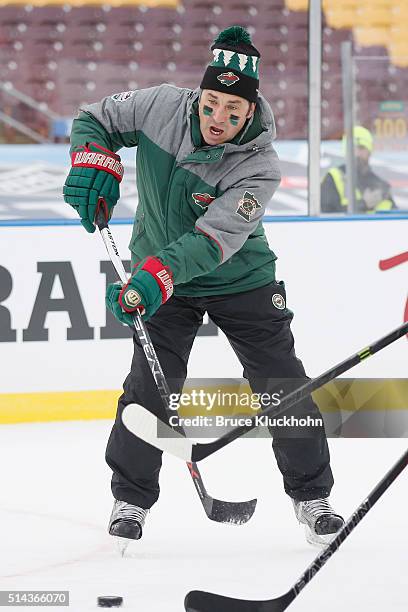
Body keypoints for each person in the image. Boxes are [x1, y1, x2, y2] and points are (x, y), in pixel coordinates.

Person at [63, 26, 344, 548]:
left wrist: (154, 277)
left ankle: (312, 497)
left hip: (238, 278)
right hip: (160, 274)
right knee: (150, 385)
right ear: (201, 93)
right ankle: (131, 499)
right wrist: (94, 161)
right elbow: (93, 118)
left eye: (232, 112)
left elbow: (211, 241)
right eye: (212, 103)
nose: (218, 119)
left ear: (250, 111)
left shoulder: (259, 167)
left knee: (283, 381)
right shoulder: (160, 107)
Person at [321, 125, 396, 213]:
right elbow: (327, 215)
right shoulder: (333, 178)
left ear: (369, 151)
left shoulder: (382, 186)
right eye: (352, 148)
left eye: (361, 148)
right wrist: (363, 204)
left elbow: (395, 218)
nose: (356, 153)